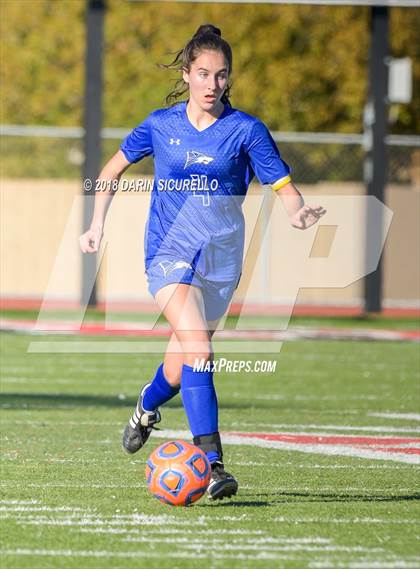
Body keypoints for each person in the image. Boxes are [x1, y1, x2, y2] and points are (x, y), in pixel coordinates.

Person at [80, 24, 326, 501]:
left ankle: (145, 407)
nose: (213, 84)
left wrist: (298, 211)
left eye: (222, 75)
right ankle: (212, 463)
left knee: (180, 366)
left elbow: (283, 186)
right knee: (199, 351)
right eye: (203, 73)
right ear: (187, 74)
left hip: (220, 262)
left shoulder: (246, 131)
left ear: (228, 79)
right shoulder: (160, 124)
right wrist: (96, 224)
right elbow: (111, 171)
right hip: (169, 254)